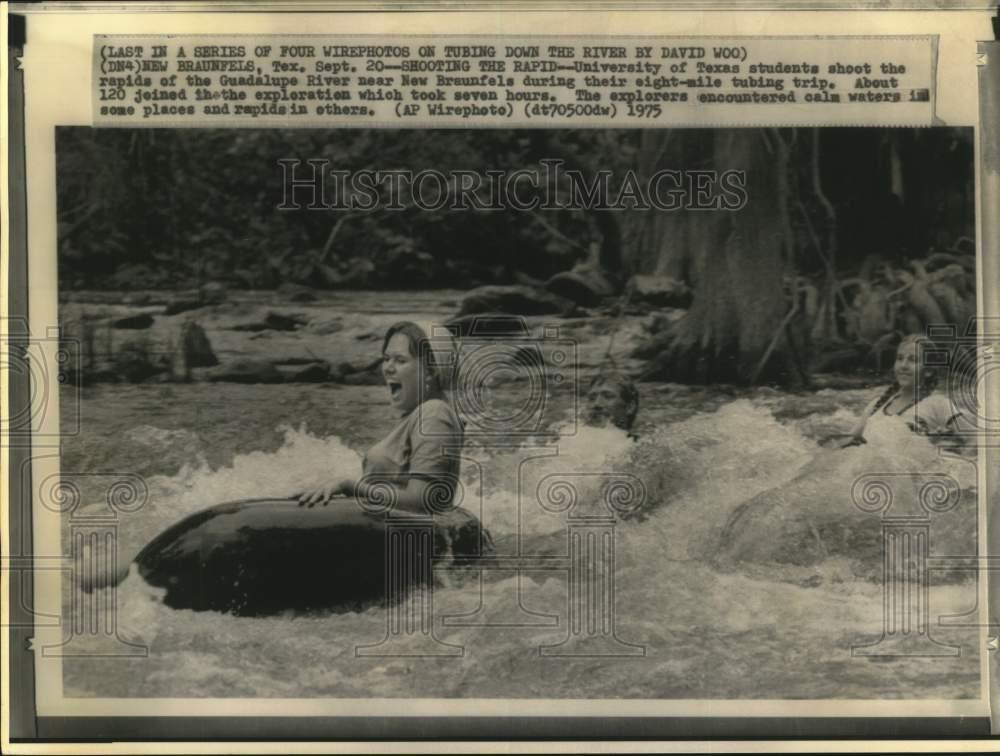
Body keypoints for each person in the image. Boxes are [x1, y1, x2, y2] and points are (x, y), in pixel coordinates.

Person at [299, 321, 463, 513]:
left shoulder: (434, 413)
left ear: (431, 371)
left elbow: (422, 501)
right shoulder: (418, 415)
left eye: (400, 360)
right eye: (386, 359)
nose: (387, 368)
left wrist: (349, 487)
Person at [843, 333, 967, 452]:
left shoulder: (938, 404)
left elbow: (976, 441)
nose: (903, 365)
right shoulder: (876, 405)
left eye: (913, 360)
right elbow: (845, 442)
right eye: (900, 358)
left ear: (928, 371)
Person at [583, 370, 640, 439]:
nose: (596, 404)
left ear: (630, 407)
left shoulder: (644, 446)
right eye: (592, 398)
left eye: (607, 396)